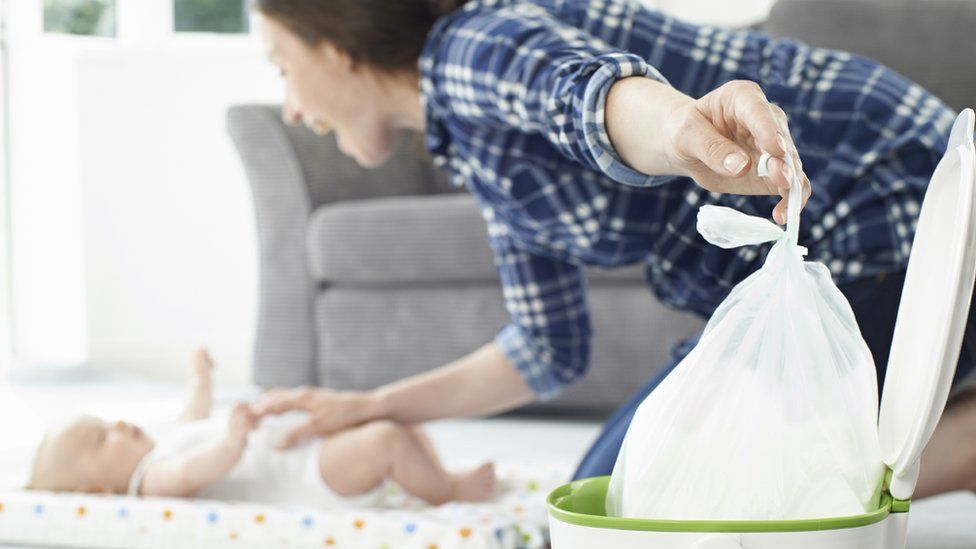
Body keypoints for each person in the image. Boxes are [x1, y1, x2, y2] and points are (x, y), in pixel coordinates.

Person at [251, 0, 975, 498]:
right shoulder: (471, 144)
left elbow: (586, 98)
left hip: (893, 203)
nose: (288, 105)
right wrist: (370, 405)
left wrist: (684, 131)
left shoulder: (468, 46)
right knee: (607, 487)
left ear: (335, 49)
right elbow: (547, 345)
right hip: (867, 232)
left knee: (651, 493)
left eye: (282, 65)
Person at [27, 349, 495, 506]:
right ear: (98, 491)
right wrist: (232, 441)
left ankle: (432, 473)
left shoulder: (164, 444)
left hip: (308, 451)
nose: (120, 423)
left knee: (393, 425)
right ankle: (448, 491)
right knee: (385, 442)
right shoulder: (152, 482)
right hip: (309, 479)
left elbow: (193, 413)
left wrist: (201, 379)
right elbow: (194, 474)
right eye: (100, 436)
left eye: (107, 420)